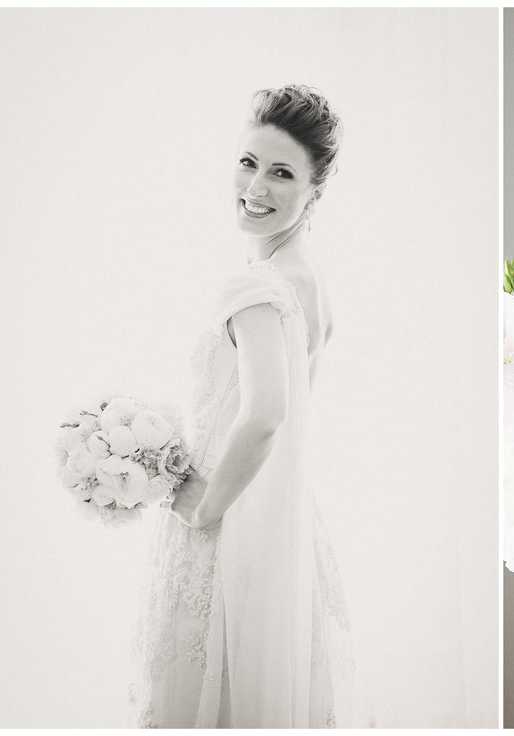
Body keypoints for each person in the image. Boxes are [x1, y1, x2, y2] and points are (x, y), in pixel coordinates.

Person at [129, 85, 353, 728]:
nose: (257, 186)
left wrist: (204, 507)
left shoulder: (257, 285)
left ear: (315, 192)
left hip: (229, 524)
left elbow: (267, 415)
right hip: (281, 525)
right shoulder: (311, 282)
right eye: (248, 162)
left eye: (282, 173)